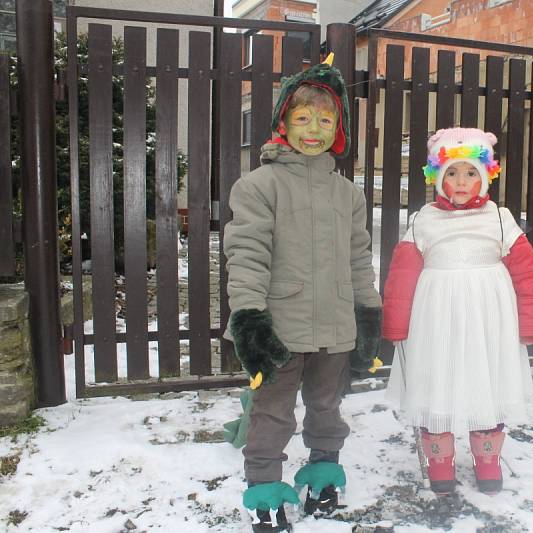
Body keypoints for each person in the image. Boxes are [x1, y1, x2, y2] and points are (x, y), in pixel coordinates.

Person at [223, 54, 382, 532]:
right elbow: (247, 254)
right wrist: (249, 319)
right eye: (303, 118)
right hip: (280, 328)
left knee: (327, 406)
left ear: (338, 129)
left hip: (335, 327)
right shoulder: (259, 186)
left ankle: (323, 472)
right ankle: (264, 488)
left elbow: (359, 258)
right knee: (272, 414)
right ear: (283, 124)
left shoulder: (348, 194)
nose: (313, 129)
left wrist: (367, 313)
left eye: (325, 119)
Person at [382, 127, 533, 496]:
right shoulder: (424, 220)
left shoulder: (500, 219)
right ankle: (439, 457)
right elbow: (403, 274)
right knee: (436, 378)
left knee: (484, 378)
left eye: (470, 172)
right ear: (437, 179)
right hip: (435, 318)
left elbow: (526, 273)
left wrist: (532, 320)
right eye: (452, 173)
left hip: (490, 318)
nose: (461, 182)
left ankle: (486, 456)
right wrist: (396, 323)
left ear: (486, 175)